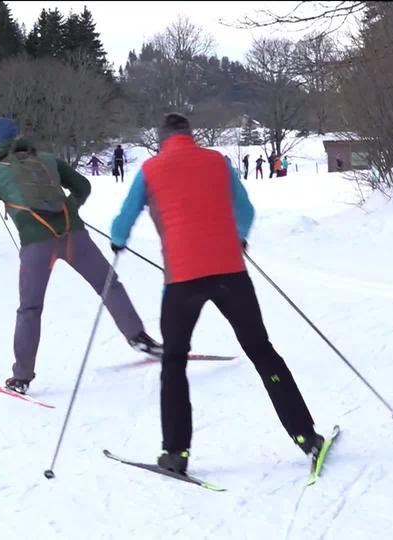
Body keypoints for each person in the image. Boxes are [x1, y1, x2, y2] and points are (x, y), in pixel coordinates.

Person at [109, 113, 324, 475]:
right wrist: (238, 238)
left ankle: (176, 452)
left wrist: (118, 242)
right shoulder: (218, 163)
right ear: (190, 136)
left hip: (182, 280)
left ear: (162, 140)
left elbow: (123, 219)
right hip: (231, 273)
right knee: (261, 350)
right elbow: (246, 211)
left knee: (174, 362)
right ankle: (306, 436)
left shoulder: (150, 169)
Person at [0, 117, 162, 395]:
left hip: (37, 245)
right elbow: (83, 186)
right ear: (20, 137)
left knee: (30, 309)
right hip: (75, 235)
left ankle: (21, 377)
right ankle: (138, 336)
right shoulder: (47, 159)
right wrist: (70, 208)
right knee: (109, 284)